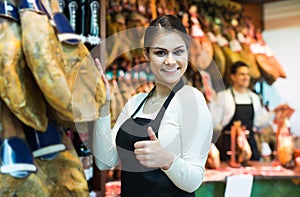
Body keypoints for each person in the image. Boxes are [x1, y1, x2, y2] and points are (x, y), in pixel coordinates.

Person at [92, 15, 213, 196]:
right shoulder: (136, 102)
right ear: (146, 55)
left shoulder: (192, 101)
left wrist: (167, 160)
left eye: (178, 52)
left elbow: (193, 181)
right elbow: (105, 161)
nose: (170, 61)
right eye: (160, 53)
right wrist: (103, 105)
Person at [210, 61, 289, 161]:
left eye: (247, 74)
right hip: (229, 148)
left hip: (250, 147)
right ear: (233, 77)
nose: (246, 77)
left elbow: (258, 123)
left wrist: (274, 112)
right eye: (242, 74)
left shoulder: (254, 98)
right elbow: (214, 123)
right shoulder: (223, 96)